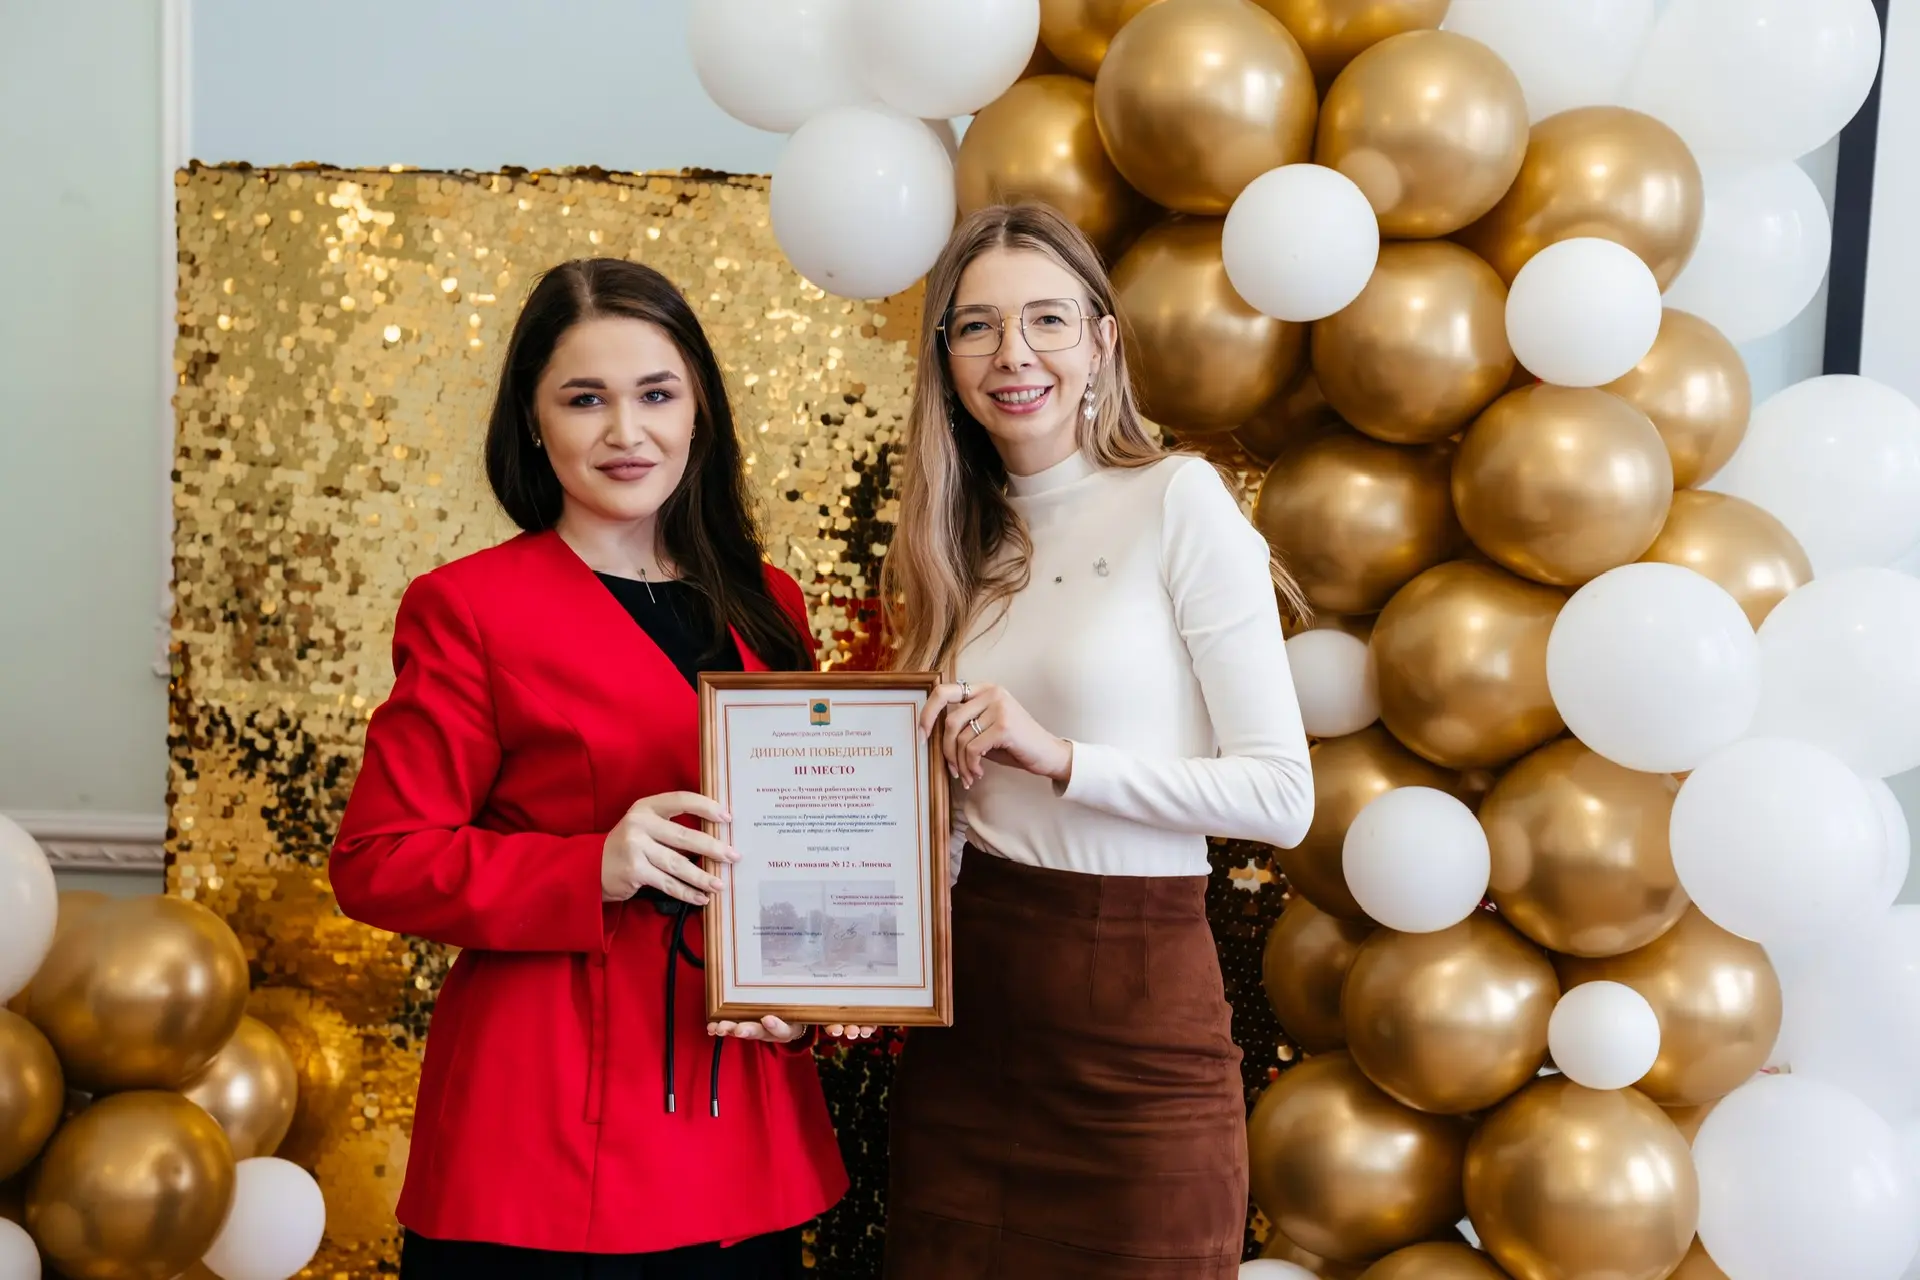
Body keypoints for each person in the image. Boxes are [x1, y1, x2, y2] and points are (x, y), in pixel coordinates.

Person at [330, 258, 849, 1280]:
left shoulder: (770, 603)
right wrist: (590, 866)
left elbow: (797, 842)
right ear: (533, 422)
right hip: (546, 1124)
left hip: (742, 1115)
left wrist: (807, 994)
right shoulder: (469, 607)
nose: (626, 431)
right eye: (584, 399)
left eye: (656, 394)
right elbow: (376, 859)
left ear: (699, 411)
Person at [878, 203, 1316, 1279]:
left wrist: (1061, 756)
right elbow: (954, 822)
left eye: (1047, 319)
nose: (1012, 353)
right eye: (976, 326)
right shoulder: (950, 544)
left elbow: (1281, 797)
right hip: (968, 1034)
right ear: (945, 358)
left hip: (1139, 1037)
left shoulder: (1179, 499)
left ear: (1102, 340)